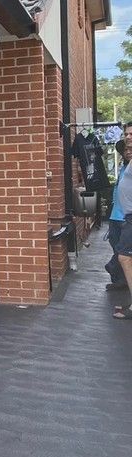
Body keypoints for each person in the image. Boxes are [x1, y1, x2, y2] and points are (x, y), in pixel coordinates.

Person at [105, 138, 131, 290]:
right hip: (115, 216)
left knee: (123, 251)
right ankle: (120, 280)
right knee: (117, 248)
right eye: (124, 151)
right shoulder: (123, 168)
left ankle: (112, 267)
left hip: (126, 218)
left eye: (129, 150)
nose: (127, 152)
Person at [113, 122, 132, 318]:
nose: (128, 136)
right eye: (127, 133)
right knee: (126, 258)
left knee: (125, 257)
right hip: (127, 216)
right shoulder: (129, 158)